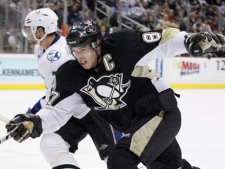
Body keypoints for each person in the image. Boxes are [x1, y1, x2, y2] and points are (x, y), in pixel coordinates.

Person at [6, 20, 225, 169]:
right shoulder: (70, 74)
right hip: (134, 124)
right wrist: (35, 122)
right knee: (168, 165)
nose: (79, 56)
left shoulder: (123, 46)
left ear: (97, 44)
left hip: (160, 113)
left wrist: (189, 40)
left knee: (120, 160)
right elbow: (57, 111)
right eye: (74, 50)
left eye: (84, 49)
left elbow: (164, 41)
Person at [9, 9, 116, 169]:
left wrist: (32, 115)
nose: (27, 34)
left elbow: (60, 96)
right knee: (51, 142)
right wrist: (32, 114)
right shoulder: (40, 50)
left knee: (116, 158)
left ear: (40, 30)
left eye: (28, 29)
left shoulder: (58, 56)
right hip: (72, 111)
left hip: (95, 108)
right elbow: (55, 94)